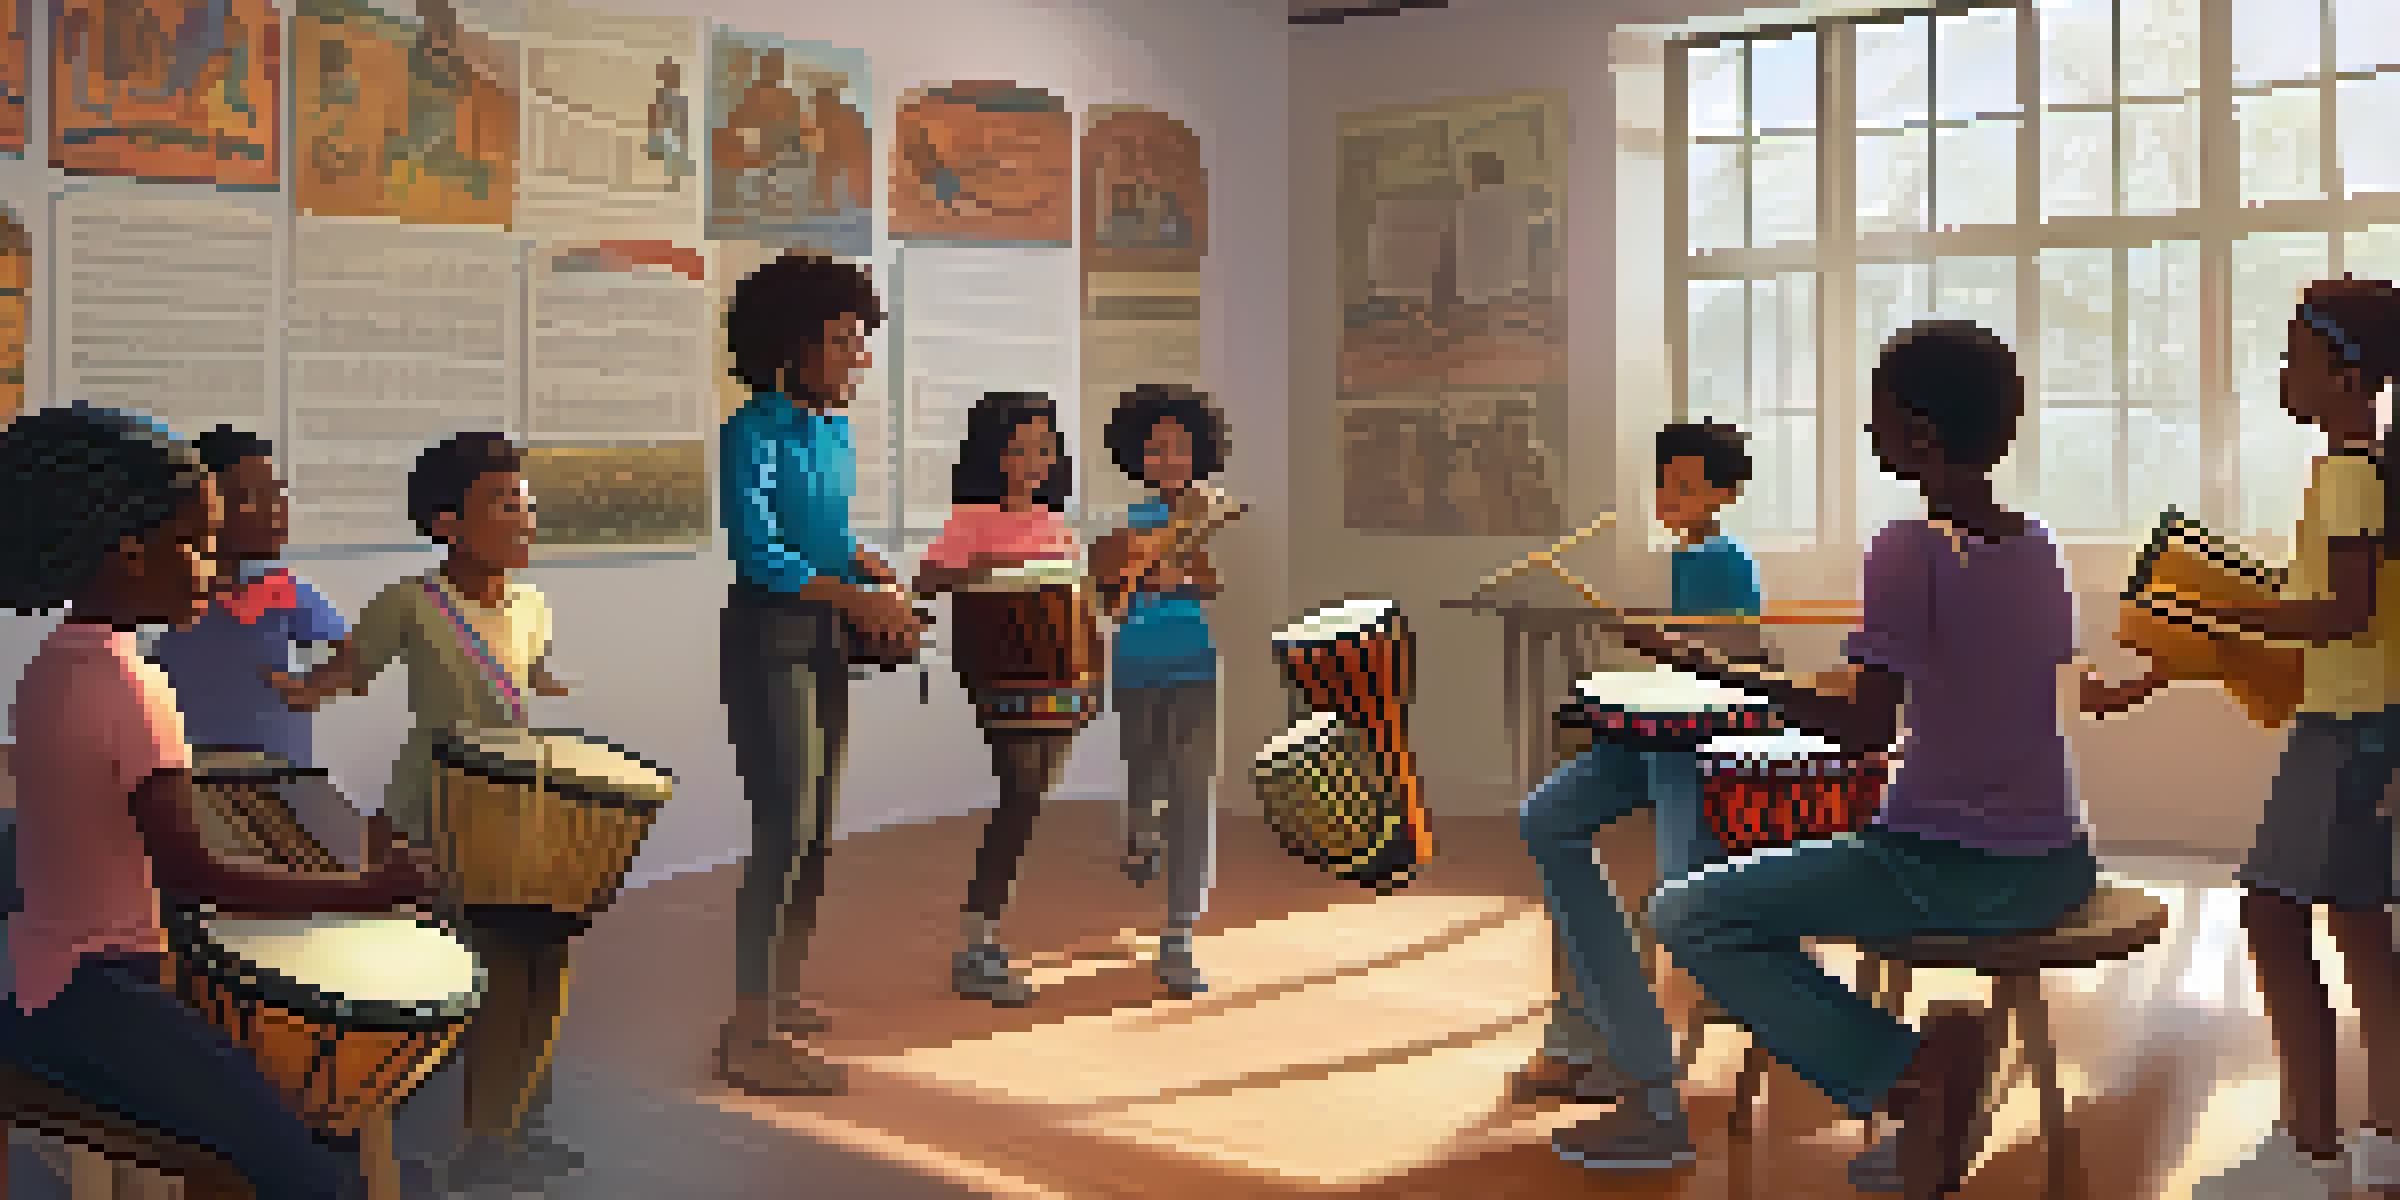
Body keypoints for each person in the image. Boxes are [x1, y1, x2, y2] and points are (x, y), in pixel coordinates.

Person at [1573, 321, 2169, 1198]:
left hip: (1949, 868)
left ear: (1922, 435)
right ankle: (1925, 1084)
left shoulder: (1908, 547)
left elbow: (1861, 730)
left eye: (1880, 418)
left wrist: (1711, 668)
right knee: (1748, 891)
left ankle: (1911, 1074)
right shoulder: (2037, 543)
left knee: (1686, 910)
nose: (1870, 434)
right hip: (2057, 861)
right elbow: (1972, 679)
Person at [0, 405, 434, 1200]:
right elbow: (198, 874)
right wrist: (372, 889)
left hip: (36, 970)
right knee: (310, 1171)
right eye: (195, 546)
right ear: (131, 556)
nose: (209, 566)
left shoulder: (54, 662)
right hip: (99, 995)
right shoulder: (132, 684)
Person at [267, 432, 582, 1190]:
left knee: (548, 961)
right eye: (506, 504)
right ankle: (476, 1140)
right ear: (447, 522)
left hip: (512, 810)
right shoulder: (411, 602)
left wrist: (548, 680)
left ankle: (520, 1126)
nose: (526, 517)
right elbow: (353, 666)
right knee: (494, 965)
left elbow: (529, 667)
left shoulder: (533, 604)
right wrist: (304, 690)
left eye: (527, 502)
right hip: (432, 812)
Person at [2176, 276, 2400, 1199]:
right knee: (2361, 926)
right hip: (2366, 724)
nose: (2283, 370)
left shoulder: (2349, 472)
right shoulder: (2366, 467)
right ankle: (2386, 1133)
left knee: (2271, 913)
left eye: (2297, 354)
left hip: (2343, 731)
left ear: (2348, 377)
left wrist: (2237, 614)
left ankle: (2310, 1150)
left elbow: (2345, 612)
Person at [1519, 421, 1764, 1160]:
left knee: (1676, 897)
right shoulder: (1689, 556)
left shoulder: (1718, 558)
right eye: (1664, 484)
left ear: (1726, 494)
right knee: (1551, 816)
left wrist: (1661, 646)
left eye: (1687, 486)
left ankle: (1618, 1063)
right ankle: (1589, 1036)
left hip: (1697, 735)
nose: (1670, 497)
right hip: (1662, 726)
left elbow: (1730, 658)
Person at [714, 253, 924, 1096]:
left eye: (860, 342)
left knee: (818, 830)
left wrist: (867, 572)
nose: (858, 359)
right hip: (771, 637)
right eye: (843, 342)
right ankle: (748, 1031)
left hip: (822, 631)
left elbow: (821, 543)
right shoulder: (751, 432)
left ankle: (782, 992)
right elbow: (760, 553)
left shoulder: (829, 429)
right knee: (785, 831)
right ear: (793, 344)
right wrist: (853, 596)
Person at [913, 392, 1089, 1005]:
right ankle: (977, 942)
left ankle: (983, 937)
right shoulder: (973, 517)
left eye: (1042, 448)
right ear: (993, 455)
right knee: (1019, 796)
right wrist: (992, 567)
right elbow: (928, 579)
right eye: (1018, 449)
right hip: (1004, 678)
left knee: (1030, 797)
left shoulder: (1053, 519)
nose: (1032, 461)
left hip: (1061, 680)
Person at [1093, 384, 1232, 997]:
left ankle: (1179, 933)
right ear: (1136, 457)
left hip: (1193, 664)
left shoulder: (1203, 509)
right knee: (1143, 773)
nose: (1167, 459)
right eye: (1155, 449)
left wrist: (1172, 572)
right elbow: (1112, 588)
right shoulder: (1128, 520)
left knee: (1191, 796)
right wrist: (1149, 575)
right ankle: (1138, 831)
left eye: (1179, 448)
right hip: (1134, 662)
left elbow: (1204, 580)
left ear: (1200, 451)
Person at [149, 426, 346, 769]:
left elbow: (349, 652)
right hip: (189, 767)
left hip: (280, 772)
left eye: (276, 494)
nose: (273, 511)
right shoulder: (165, 590)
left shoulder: (283, 590)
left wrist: (311, 688)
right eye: (246, 498)